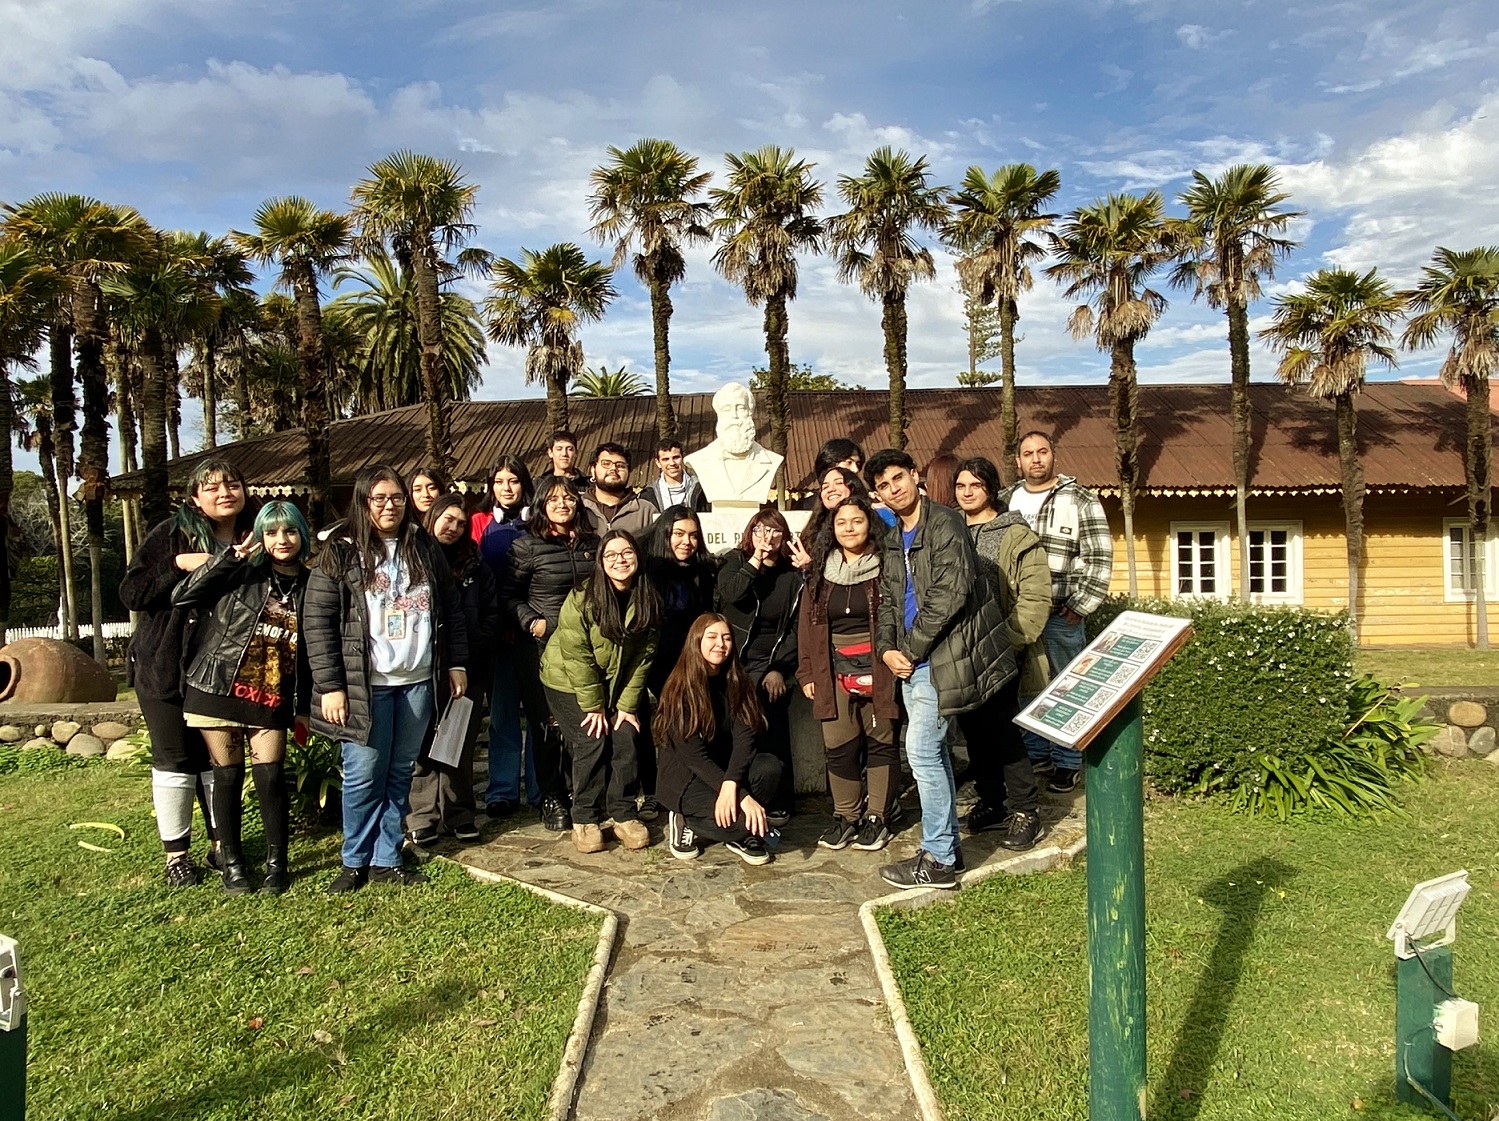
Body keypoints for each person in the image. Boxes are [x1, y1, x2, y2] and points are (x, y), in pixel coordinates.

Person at [304, 465, 469, 894]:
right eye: (379, 498)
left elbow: (450, 610)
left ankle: (387, 857)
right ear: (363, 502)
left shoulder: (424, 546)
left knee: (400, 773)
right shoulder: (341, 552)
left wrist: (457, 663)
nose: (389, 505)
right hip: (364, 686)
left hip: (417, 681)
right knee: (362, 775)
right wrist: (331, 686)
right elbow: (317, 623)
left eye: (396, 497)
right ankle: (353, 860)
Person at [866, 449, 1016, 890]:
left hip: (938, 658)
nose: (893, 489)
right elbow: (891, 599)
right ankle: (944, 849)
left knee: (923, 753)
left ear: (916, 476)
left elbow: (950, 594)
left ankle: (938, 859)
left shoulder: (946, 524)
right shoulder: (893, 536)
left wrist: (908, 650)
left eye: (898, 478)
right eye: (883, 485)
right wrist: (886, 648)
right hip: (911, 662)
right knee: (933, 754)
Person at [120, 457, 258, 887]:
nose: (225, 493)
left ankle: (223, 846)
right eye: (213, 487)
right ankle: (176, 855)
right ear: (196, 497)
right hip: (166, 665)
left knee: (218, 758)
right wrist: (177, 565)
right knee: (175, 758)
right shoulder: (171, 534)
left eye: (232, 484)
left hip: (224, 669)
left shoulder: (255, 534)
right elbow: (132, 591)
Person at [172, 500, 311, 895]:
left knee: (270, 778)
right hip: (217, 686)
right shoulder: (240, 574)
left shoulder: (314, 582)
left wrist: (304, 708)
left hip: (272, 693)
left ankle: (276, 864)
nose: (281, 540)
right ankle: (232, 865)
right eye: (271, 532)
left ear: (301, 533)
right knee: (227, 778)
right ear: (260, 538)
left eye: (289, 531)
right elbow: (182, 596)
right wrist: (227, 560)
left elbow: (315, 652)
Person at [999, 431, 1114, 793]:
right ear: (1017, 461)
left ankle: (1067, 761)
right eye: (1028, 453)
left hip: (1061, 612)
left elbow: (1099, 555)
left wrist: (1081, 606)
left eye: (1042, 452)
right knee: (1025, 687)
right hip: (1017, 613)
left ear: (1053, 456)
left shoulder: (1079, 499)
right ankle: (1037, 752)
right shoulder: (1006, 500)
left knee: (1066, 685)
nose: (1036, 459)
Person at [540, 529, 660, 853]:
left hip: (615, 683)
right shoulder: (582, 598)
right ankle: (585, 817)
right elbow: (576, 655)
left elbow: (643, 657)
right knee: (591, 737)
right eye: (611, 555)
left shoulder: (647, 598)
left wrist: (626, 705)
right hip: (566, 680)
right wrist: (594, 707)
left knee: (625, 733)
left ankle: (622, 812)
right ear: (601, 562)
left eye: (626, 553)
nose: (619, 560)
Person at [953, 457, 1050, 850]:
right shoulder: (951, 529)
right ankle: (992, 802)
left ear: (991, 489)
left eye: (975, 485)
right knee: (974, 732)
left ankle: (1026, 809)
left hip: (1001, 650)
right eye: (961, 486)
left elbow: (1035, 596)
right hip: (960, 652)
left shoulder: (1016, 535)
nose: (967, 492)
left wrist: (1006, 640)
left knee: (1004, 732)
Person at [798, 494, 900, 852]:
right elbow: (806, 627)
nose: (849, 528)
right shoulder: (820, 573)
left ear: (869, 525)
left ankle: (877, 816)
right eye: (841, 523)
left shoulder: (888, 566)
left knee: (881, 742)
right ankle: (846, 815)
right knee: (838, 745)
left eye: (857, 521)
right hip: (833, 670)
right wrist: (807, 673)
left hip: (879, 667)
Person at [500, 478, 600, 830]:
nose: (562, 505)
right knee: (547, 726)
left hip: (585, 649)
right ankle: (551, 796)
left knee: (582, 723)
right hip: (541, 649)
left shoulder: (593, 544)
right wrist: (534, 623)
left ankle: (581, 793)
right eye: (554, 499)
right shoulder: (527, 547)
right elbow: (508, 596)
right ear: (542, 504)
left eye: (569, 498)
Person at [654, 613, 782, 866]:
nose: (720, 644)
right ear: (696, 642)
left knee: (770, 767)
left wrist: (732, 784)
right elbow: (695, 757)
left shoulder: (738, 680)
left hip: (726, 772)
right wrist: (743, 796)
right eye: (711, 637)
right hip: (688, 778)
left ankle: (742, 831)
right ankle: (687, 820)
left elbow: (746, 738)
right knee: (746, 820)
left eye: (726, 638)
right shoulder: (680, 688)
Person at [407, 495, 499, 846]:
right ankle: (422, 817)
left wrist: (474, 646)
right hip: (422, 669)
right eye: (448, 519)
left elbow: (491, 615)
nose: (454, 527)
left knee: (458, 745)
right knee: (424, 745)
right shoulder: (413, 561)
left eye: (461, 523)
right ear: (432, 518)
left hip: (469, 670)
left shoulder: (477, 567)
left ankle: (459, 814)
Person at [715, 507, 801, 825]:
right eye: (761, 530)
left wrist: (779, 668)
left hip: (771, 664)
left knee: (773, 723)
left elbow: (796, 627)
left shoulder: (792, 577)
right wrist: (755, 560)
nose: (768, 536)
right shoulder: (735, 561)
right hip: (731, 662)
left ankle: (777, 798)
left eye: (775, 531)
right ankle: (734, 791)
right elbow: (731, 593)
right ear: (750, 533)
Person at [640, 505, 717, 819]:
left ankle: (678, 790)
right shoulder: (648, 570)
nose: (687, 541)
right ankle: (651, 791)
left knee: (682, 728)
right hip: (649, 661)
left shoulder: (703, 571)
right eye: (679, 534)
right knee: (647, 729)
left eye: (693, 535)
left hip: (686, 664)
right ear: (665, 535)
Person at [471, 455, 535, 817]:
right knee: (503, 715)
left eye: (513, 481)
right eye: (499, 482)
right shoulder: (481, 525)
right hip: (499, 635)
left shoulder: (538, 523)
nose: (506, 488)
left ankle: (542, 789)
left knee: (541, 718)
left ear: (524, 485)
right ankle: (502, 790)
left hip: (535, 633)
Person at [684, 382, 783, 508]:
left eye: (741, 408)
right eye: (727, 409)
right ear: (719, 414)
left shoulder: (771, 460)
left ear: (750, 412)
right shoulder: (699, 460)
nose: (734, 415)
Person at [581, 442, 661, 538]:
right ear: (593, 470)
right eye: (606, 464)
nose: (613, 469)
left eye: (620, 465)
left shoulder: (646, 511)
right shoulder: (578, 508)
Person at [647, 438, 709, 512]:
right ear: (658, 463)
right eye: (666, 459)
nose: (672, 463)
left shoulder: (702, 489)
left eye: (676, 457)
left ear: (682, 457)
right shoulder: (649, 495)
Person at [532, 430, 588, 502]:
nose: (564, 454)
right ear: (550, 453)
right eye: (559, 449)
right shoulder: (538, 485)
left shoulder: (588, 485)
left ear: (576, 453)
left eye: (569, 449)